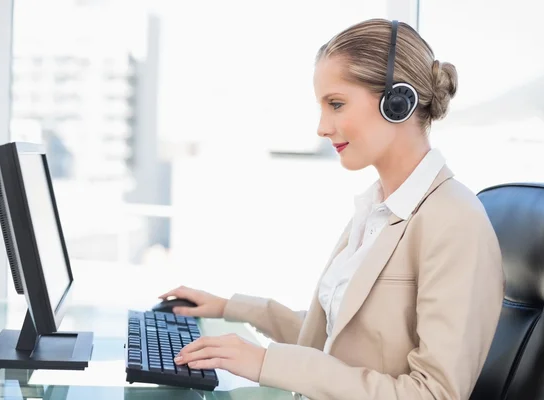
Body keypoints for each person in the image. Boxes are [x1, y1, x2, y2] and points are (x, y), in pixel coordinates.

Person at [160, 18, 504, 400]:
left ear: (398, 102)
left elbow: (435, 394)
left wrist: (266, 363)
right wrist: (230, 307)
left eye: (336, 104)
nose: (322, 127)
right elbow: (338, 339)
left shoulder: (453, 221)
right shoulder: (379, 209)